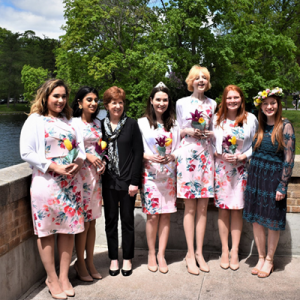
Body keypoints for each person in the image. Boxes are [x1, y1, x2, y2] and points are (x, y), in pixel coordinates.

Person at [20, 79, 86, 299]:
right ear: (46, 97)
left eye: (63, 96)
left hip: (71, 184)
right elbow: (26, 152)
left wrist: (76, 164)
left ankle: (64, 276)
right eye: (56, 96)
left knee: (68, 230)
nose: (60, 100)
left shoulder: (72, 121)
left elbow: (82, 152)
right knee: (46, 231)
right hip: (46, 183)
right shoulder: (35, 120)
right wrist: (54, 166)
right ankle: (52, 278)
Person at [243, 87, 295, 278]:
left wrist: (282, 184)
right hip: (256, 178)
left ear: (278, 104)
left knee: (272, 222)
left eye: (272, 103)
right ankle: (260, 257)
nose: (269, 106)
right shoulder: (260, 125)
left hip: (273, 180)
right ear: (261, 107)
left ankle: (270, 261)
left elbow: (289, 158)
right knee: (257, 221)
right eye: (265, 104)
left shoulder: (285, 126)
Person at [176, 65, 217, 275]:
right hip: (187, 156)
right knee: (190, 208)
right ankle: (189, 254)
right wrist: (188, 130)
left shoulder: (213, 103)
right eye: (197, 77)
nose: (201, 80)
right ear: (191, 80)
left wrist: (209, 134)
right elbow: (177, 131)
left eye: (204, 78)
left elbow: (215, 130)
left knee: (203, 208)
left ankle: (200, 253)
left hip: (206, 156)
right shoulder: (181, 103)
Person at [212, 85, 258, 270]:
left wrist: (242, 156)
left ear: (241, 99)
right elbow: (209, 143)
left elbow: (257, 144)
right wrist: (219, 154)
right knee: (223, 210)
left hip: (241, 170)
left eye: (236, 97)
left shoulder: (250, 119)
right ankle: (224, 250)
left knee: (237, 209)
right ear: (224, 99)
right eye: (229, 98)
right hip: (222, 170)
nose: (232, 101)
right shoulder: (216, 119)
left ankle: (235, 250)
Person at [101, 86, 144, 277]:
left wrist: (135, 182)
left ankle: (127, 258)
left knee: (127, 221)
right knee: (110, 221)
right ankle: (113, 258)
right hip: (108, 181)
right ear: (107, 105)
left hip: (127, 182)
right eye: (113, 102)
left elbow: (138, 154)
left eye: (120, 102)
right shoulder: (101, 125)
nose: (117, 106)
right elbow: (99, 151)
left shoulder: (132, 124)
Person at [138, 83, 180, 274]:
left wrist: (172, 155)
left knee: (165, 216)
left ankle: (162, 254)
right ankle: (151, 253)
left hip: (169, 176)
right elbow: (135, 149)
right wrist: (147, 156)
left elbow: (180, 147)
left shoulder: (175, 124)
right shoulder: (141, 123)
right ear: (151, 101)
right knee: (153, 216)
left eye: (165, 100)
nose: (161, 103)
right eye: (158, 99)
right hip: (150, 176)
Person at [71, 87, 105, 282]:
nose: (93, 103)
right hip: (80, 176)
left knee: (92, 221)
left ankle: (90, 261)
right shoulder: (73, 123)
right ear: (79, 102)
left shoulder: (99, 123)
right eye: (89, 99)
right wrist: (88, 156)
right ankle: (80, 263)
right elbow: (70, 147)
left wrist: (103, 161)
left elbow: (103, 146)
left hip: (95, 176)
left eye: (95, 100)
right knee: (83, 221)